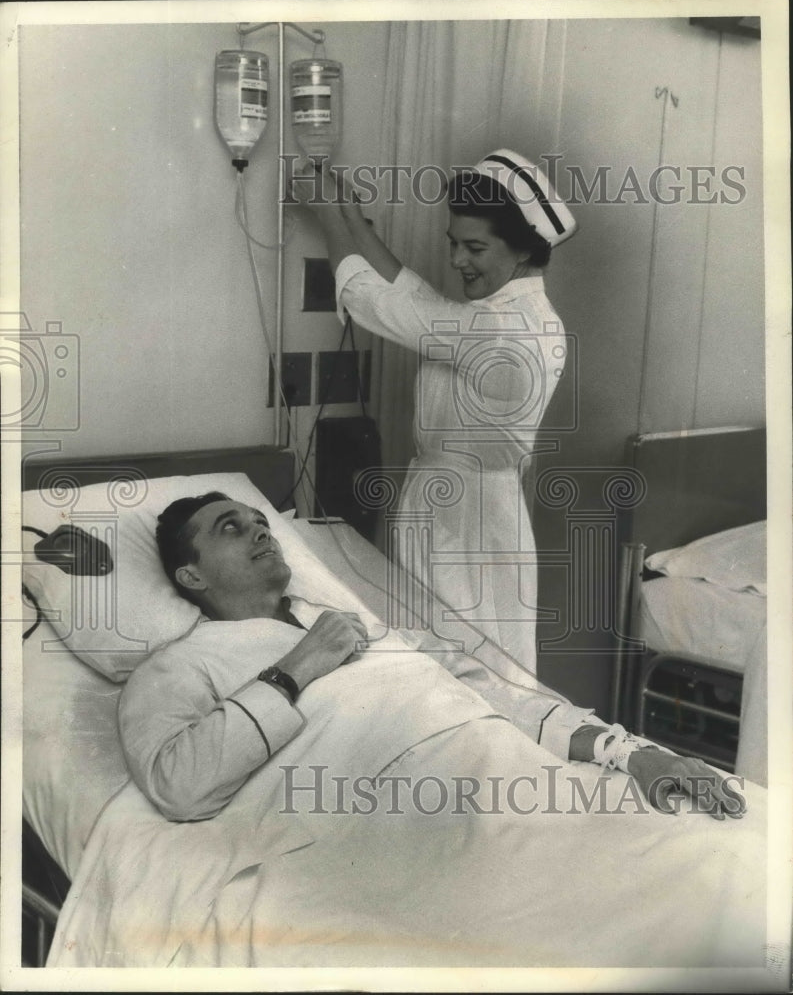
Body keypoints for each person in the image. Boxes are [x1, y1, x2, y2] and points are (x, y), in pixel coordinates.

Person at [118, 491, 745, 826]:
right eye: (230, 528)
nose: (261, 529)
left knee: (719, 840)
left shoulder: (351, 624)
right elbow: (180, 785)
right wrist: (297, 668)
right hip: (412, 818)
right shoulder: (178, 668)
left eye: (261, 520)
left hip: (507, 772)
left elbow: (486, 689)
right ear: (190, 576)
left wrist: (631, 751)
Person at [289, 148, 577, 684]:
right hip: (461, 507)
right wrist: (351, 213)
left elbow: (377, 302)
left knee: (466, 669)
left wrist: (327, 213)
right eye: (453, 243)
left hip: (468, 523)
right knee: (454, 663)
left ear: (521, 251)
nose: (457, 260)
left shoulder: (504, 330)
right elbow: (416, 295)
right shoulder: (509, 312)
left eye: (474, 247)